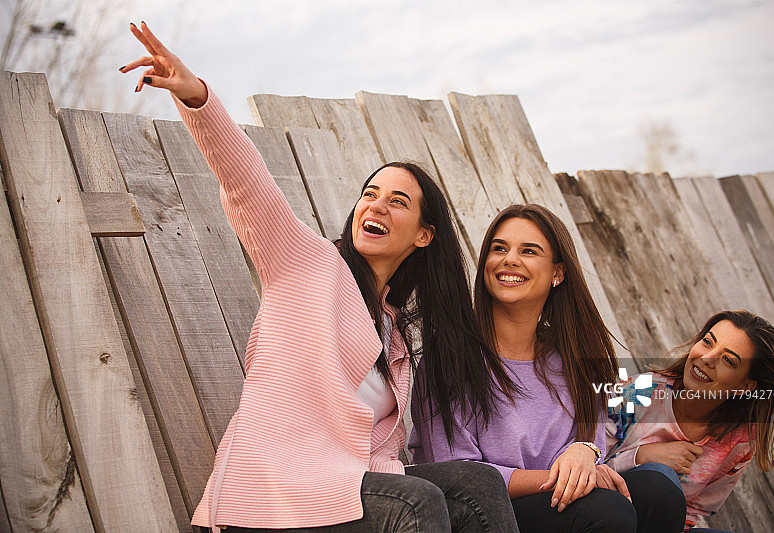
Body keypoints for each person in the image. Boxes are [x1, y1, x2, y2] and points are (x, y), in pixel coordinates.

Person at [121, 22, 520, 533]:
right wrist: (198, 98)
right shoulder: (306, 264)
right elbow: (246, 184)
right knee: (417, 504)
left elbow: (376, 454)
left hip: (343, 490)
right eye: (370, 193)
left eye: (397, 201)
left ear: (424, 235)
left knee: (479, 484)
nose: (375, 205)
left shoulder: (395, 333)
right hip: (275, 492)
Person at [410, 203, 687, 533]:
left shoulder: (573, 356)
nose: (509, 259)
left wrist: (584, 451)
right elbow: (459, 474)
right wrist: (567, 477)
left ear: (558, 273)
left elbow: (593, 437)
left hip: (561, 501)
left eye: (528, 251)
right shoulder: (451, 356)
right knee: (607, 511)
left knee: (659, 493)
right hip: (480, 510)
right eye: (499, 248)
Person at [606, 310, 774, 532]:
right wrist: (641, 456)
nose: (707, 359)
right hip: (606, 511)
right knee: (662, 480)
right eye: (707, 342)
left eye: (728, 360)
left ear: (745, 387)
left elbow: (694, 511)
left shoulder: (739, 442)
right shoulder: (638, 393)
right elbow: (586, 461)